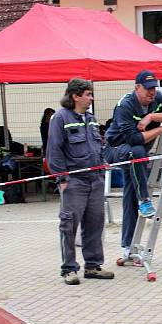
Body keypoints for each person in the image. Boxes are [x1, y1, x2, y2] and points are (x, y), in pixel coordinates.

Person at [104, 70, 162, 257]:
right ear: (137, 87)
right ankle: (145, 201)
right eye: (147, 89)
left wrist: (152, 117)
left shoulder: (157, 99)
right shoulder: (125, 106)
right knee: (136, 151)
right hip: (116, 149)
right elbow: (135, 138)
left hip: (137, 156)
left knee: (130, 194)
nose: (151, 92)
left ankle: (127, 247)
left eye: (154, 88)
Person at [47, 78, 114, 285]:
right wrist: (62, 178)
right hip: (74, 181)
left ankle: (93, 266)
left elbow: (99, 145)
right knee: (69, 225)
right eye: (88, 95)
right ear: (75, 96)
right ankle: (69, 269)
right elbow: (54, 150)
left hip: (95, 180)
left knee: (95, 224)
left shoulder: (91, 118)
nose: (91, 98)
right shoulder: (60, 118)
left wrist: (102, 167)